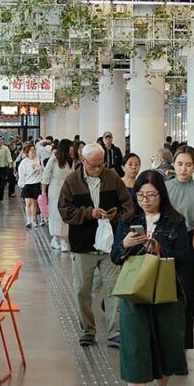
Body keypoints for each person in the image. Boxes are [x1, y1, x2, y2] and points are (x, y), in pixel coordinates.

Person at [111, 169, 189, 386]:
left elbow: (185, 257)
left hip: (167, 290)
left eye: (151, 195)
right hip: (134, 291)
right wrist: (125, 243)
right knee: (134, 344)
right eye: (141, 195)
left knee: (167, 341)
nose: (145, 200)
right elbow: (115, 257)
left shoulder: (175, 221)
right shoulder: (128, 219)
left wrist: (160, 249)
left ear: (161, 195)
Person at [59, 143, 133, 348]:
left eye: (101, 164)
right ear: (84, 162)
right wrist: (88, 213)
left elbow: (128, 205)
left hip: (110, 246)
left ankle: (114, 331)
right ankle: (87, 330)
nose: (98, 169)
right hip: (83, 245)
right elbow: (65, 211)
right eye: (94, 165)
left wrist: (116, 216)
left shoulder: (112, 177)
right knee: (82, 290)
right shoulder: (72, 181)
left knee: (114, 289)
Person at [165, 147, 194, 350]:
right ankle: (166, 343)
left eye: (189, 165)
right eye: (180, 164)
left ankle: (184, 345)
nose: (184, 169)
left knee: (189, 296)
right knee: (166, 294)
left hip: (191, 244)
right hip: (166, 242)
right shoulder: (165, 188)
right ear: (174, 165)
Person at [42, 138, 73, 252]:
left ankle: (60, 238)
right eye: (70, 147)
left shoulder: (70, 161)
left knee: (66, 215)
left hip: (68, 191)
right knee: (56, 215)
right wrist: (43, 191)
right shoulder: (53, 160)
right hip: (55, 190)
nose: (72, 149)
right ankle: (59, 239)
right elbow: (46, 175)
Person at [17, 143, 43, 229]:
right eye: (31, 150)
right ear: (27, 152)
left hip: (36, 184)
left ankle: (34, 220)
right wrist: (22, 183)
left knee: (34, 203)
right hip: (28, 184)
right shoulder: (24, 163)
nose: (33, 152)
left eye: (34, 150)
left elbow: (42, 171)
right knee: (28, 203)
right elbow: (21, 174)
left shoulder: (38, 159)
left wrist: (39, 169)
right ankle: (28, 220)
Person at [0, 136, 12, 204]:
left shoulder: (5, 148)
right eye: (0, 140)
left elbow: (9, 156)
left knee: (1, 184)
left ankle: (0, 198)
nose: (1, 141)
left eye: (2, 140)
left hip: (3, 168)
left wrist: (10, 163)